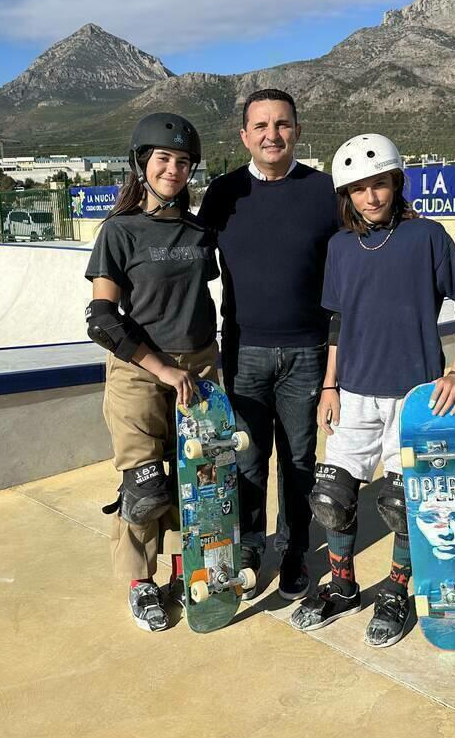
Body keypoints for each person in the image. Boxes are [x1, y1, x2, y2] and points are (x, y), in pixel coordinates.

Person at [289, 133, 455, 648]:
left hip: (416, 395)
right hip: (353, 392)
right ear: (347, 196)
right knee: (332, 498)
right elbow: (337, 320)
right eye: (359, 189)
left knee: (404, 504)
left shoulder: (427, 238)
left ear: (396, 183)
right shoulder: (340, 247)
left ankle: (399, 591)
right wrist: (330, 384)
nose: (371, 197)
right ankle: (342, 585)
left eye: (379, 184)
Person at [197, 88, 338, 601]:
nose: (271, 135)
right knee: (248, 458)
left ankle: (296, 549)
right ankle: (251, 544)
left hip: (307, 351)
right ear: (244, 136)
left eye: (281, 125)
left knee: (299, 458)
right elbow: (189, 264)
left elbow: (358, 256)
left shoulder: (326, 192)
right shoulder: (222, 193)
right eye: (261, 126)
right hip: (243, 352)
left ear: (297, 131)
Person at [85, 112, 220, 633]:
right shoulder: (118, 232)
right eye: (163, 159)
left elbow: (197, 293)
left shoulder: (198, 229)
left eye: (183, 162)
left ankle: (187, 573)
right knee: (145, 488)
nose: (174, 170)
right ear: (142, 165)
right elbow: (102, 319)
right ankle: (142, 584)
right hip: (140, 371)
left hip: (200, 365)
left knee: (199, 481)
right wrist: (160, 367)